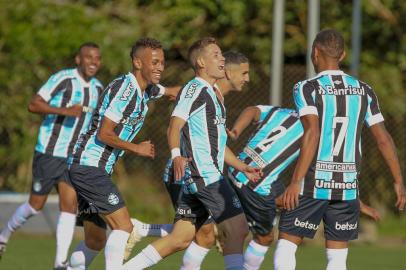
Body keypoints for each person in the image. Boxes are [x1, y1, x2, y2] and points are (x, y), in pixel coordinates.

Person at [273, 29, 406, 270]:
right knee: (337, 259)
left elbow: (312, 133)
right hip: (347, 186)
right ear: (342, 55)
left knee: (287, 245)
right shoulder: (364, 90)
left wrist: (296, 181)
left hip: (313, 182)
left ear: (315, 53)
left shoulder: (306, 87)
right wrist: (398, 180)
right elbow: (384, 139)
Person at [124, 38, 260, 270]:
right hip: (204, 175)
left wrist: (241, 166)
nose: (222, 59)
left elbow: (215, 143)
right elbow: (174, 125)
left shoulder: (214, 94)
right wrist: (176, 154)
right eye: (216, 55)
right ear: (201, 62)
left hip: (202, 175)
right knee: (238, 229)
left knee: (181, 239)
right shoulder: (195, 88)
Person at [65, 37, 179, 270]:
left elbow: (172, 92)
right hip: (89, 167)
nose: (160, 67)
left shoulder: (148, 90)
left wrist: (207, 88)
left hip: (91, 169)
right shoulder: (125, 90)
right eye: (154, 62)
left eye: (162, 62)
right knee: (123, 227)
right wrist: (136, 147)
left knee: (95, 241)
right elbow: (104, 134)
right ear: (138, 63)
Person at [226, 105, 381, 270]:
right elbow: (334, 174)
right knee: (265, 238)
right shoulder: (314, 132)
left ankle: (230, 222)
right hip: (255, 184)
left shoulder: (281, 112)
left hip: (235, 168)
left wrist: (236, 130)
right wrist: (359, 204)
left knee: (287, 202)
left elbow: (251, 110)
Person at [0, 42, 102, 270]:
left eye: (97, 58)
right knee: (35, 206)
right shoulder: (63, 79)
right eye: (88, 57)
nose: (93, 62)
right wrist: (65, 111)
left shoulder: (98, 89)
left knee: (69, 206)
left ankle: (59, 263)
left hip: (72, 158)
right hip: (48, 153)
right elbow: (34, 104)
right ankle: (3, 236)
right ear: (78, 59)